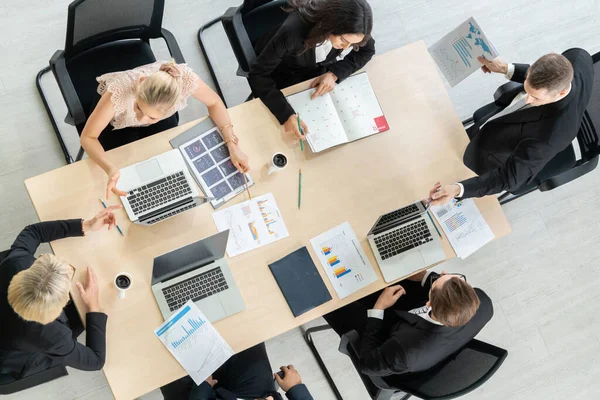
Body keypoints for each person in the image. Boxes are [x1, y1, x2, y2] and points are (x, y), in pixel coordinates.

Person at [428, 48, 594, 204]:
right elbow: (539, 75)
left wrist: (459, 189)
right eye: (527, 90)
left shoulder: (549, 137)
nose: (527, 100)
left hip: (497, 153)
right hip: (504, 125)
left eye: (535, 97)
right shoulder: (578, 56)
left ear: (562, 92)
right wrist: (505, 68)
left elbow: (508, 179)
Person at [80, 60, 250, 200]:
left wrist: (232, 144)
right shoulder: (119, 93)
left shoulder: (185, 81)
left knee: (164, 156)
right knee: (124, 162)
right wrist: (110, 168)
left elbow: (214, 103)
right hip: (117, 121)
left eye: (151, 117)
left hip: (155, 113)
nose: (141, 119)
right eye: (139, 108)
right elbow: (88, 137)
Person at [0, 207, 120, 379]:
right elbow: (96, 360)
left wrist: (86, 225)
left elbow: (33, 231)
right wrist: (93, 305)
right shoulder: (53, 336)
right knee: (82, 317)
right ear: (61, 306)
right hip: (11, 356)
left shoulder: (15, 264)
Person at [323, 270, 493, 378]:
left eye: (438, 280)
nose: (441, 272)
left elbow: (367, 365)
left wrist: (379, 308)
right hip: (412, 322)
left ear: (428, 303)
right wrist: (429, 277)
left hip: (385, 339)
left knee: (330, 301)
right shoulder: (483, 303)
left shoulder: (404, 353)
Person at [249, 0, 375, 140]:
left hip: (315, 69)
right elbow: (258, 74)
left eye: (352, 44)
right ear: (331, 25)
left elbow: (367, 51)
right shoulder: (293, 32)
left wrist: (333, 74)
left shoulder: (355, 28)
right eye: (343, 41)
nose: (346, 48)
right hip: (283, 71)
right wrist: (286, 115)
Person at [160, 343, 313, 400]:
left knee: (168, 365)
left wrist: (203, 387)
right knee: (249, 345)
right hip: (254, 395)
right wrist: (296, 389)